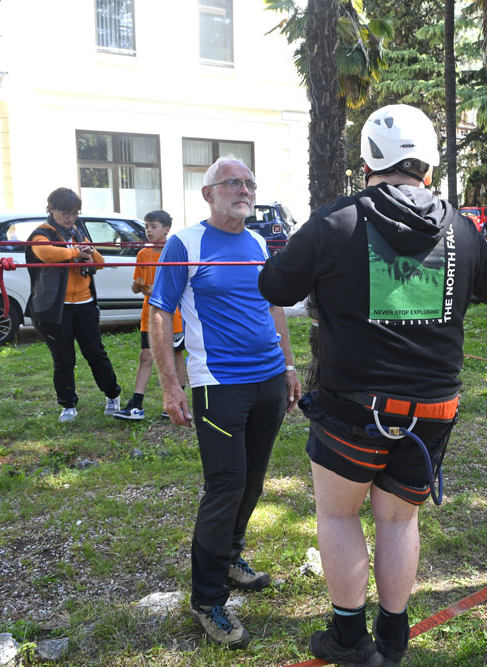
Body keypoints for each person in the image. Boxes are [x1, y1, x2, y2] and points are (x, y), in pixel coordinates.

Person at [259, 104, 487, 667]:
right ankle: (393, 638)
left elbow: (273, 284)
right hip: (433, 410)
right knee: (399, 518)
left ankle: (349, 638)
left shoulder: (334, 223)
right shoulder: (460, 229)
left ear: (368, 159)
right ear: (429, 163)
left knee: (339, 514)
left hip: (356, 408)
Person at [147, 157, 302, 649]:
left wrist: (291, 364)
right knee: (226, 486)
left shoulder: (257, 243)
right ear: (208, 193)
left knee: (253, 479)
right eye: (233, 182)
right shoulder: (184, 243)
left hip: (269, 381)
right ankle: (207, 599)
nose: (244, 189)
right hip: (218, 385)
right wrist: (170, 387)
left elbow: (273, 305)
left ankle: (232, 557)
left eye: (250, 183)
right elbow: (159, 313)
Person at [26, 187, 121, 422]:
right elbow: (45, 252)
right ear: (51, 209)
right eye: (65, 213)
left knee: (96, 353)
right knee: (64, 358)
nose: (70, 218)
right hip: (56, 308)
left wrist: (89, 254)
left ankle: (112, 395)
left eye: (74, 213)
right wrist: (75, 253)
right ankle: (67, 405)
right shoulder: (41, 233)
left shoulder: (77, 232)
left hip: (85, 304)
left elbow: (99, 262)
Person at [112, 210, 187, 421]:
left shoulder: (175, 252)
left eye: (153, 226)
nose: (149, 231)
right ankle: (136, 403)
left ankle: (178, 398)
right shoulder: (142, 255)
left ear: (166, 229)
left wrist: (157, 289)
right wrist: (138, 287)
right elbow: (140, 283)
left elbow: (181, 285)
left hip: (173, 316)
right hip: (149, 315)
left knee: (176, 355)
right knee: (146, 356)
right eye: (147, 227)